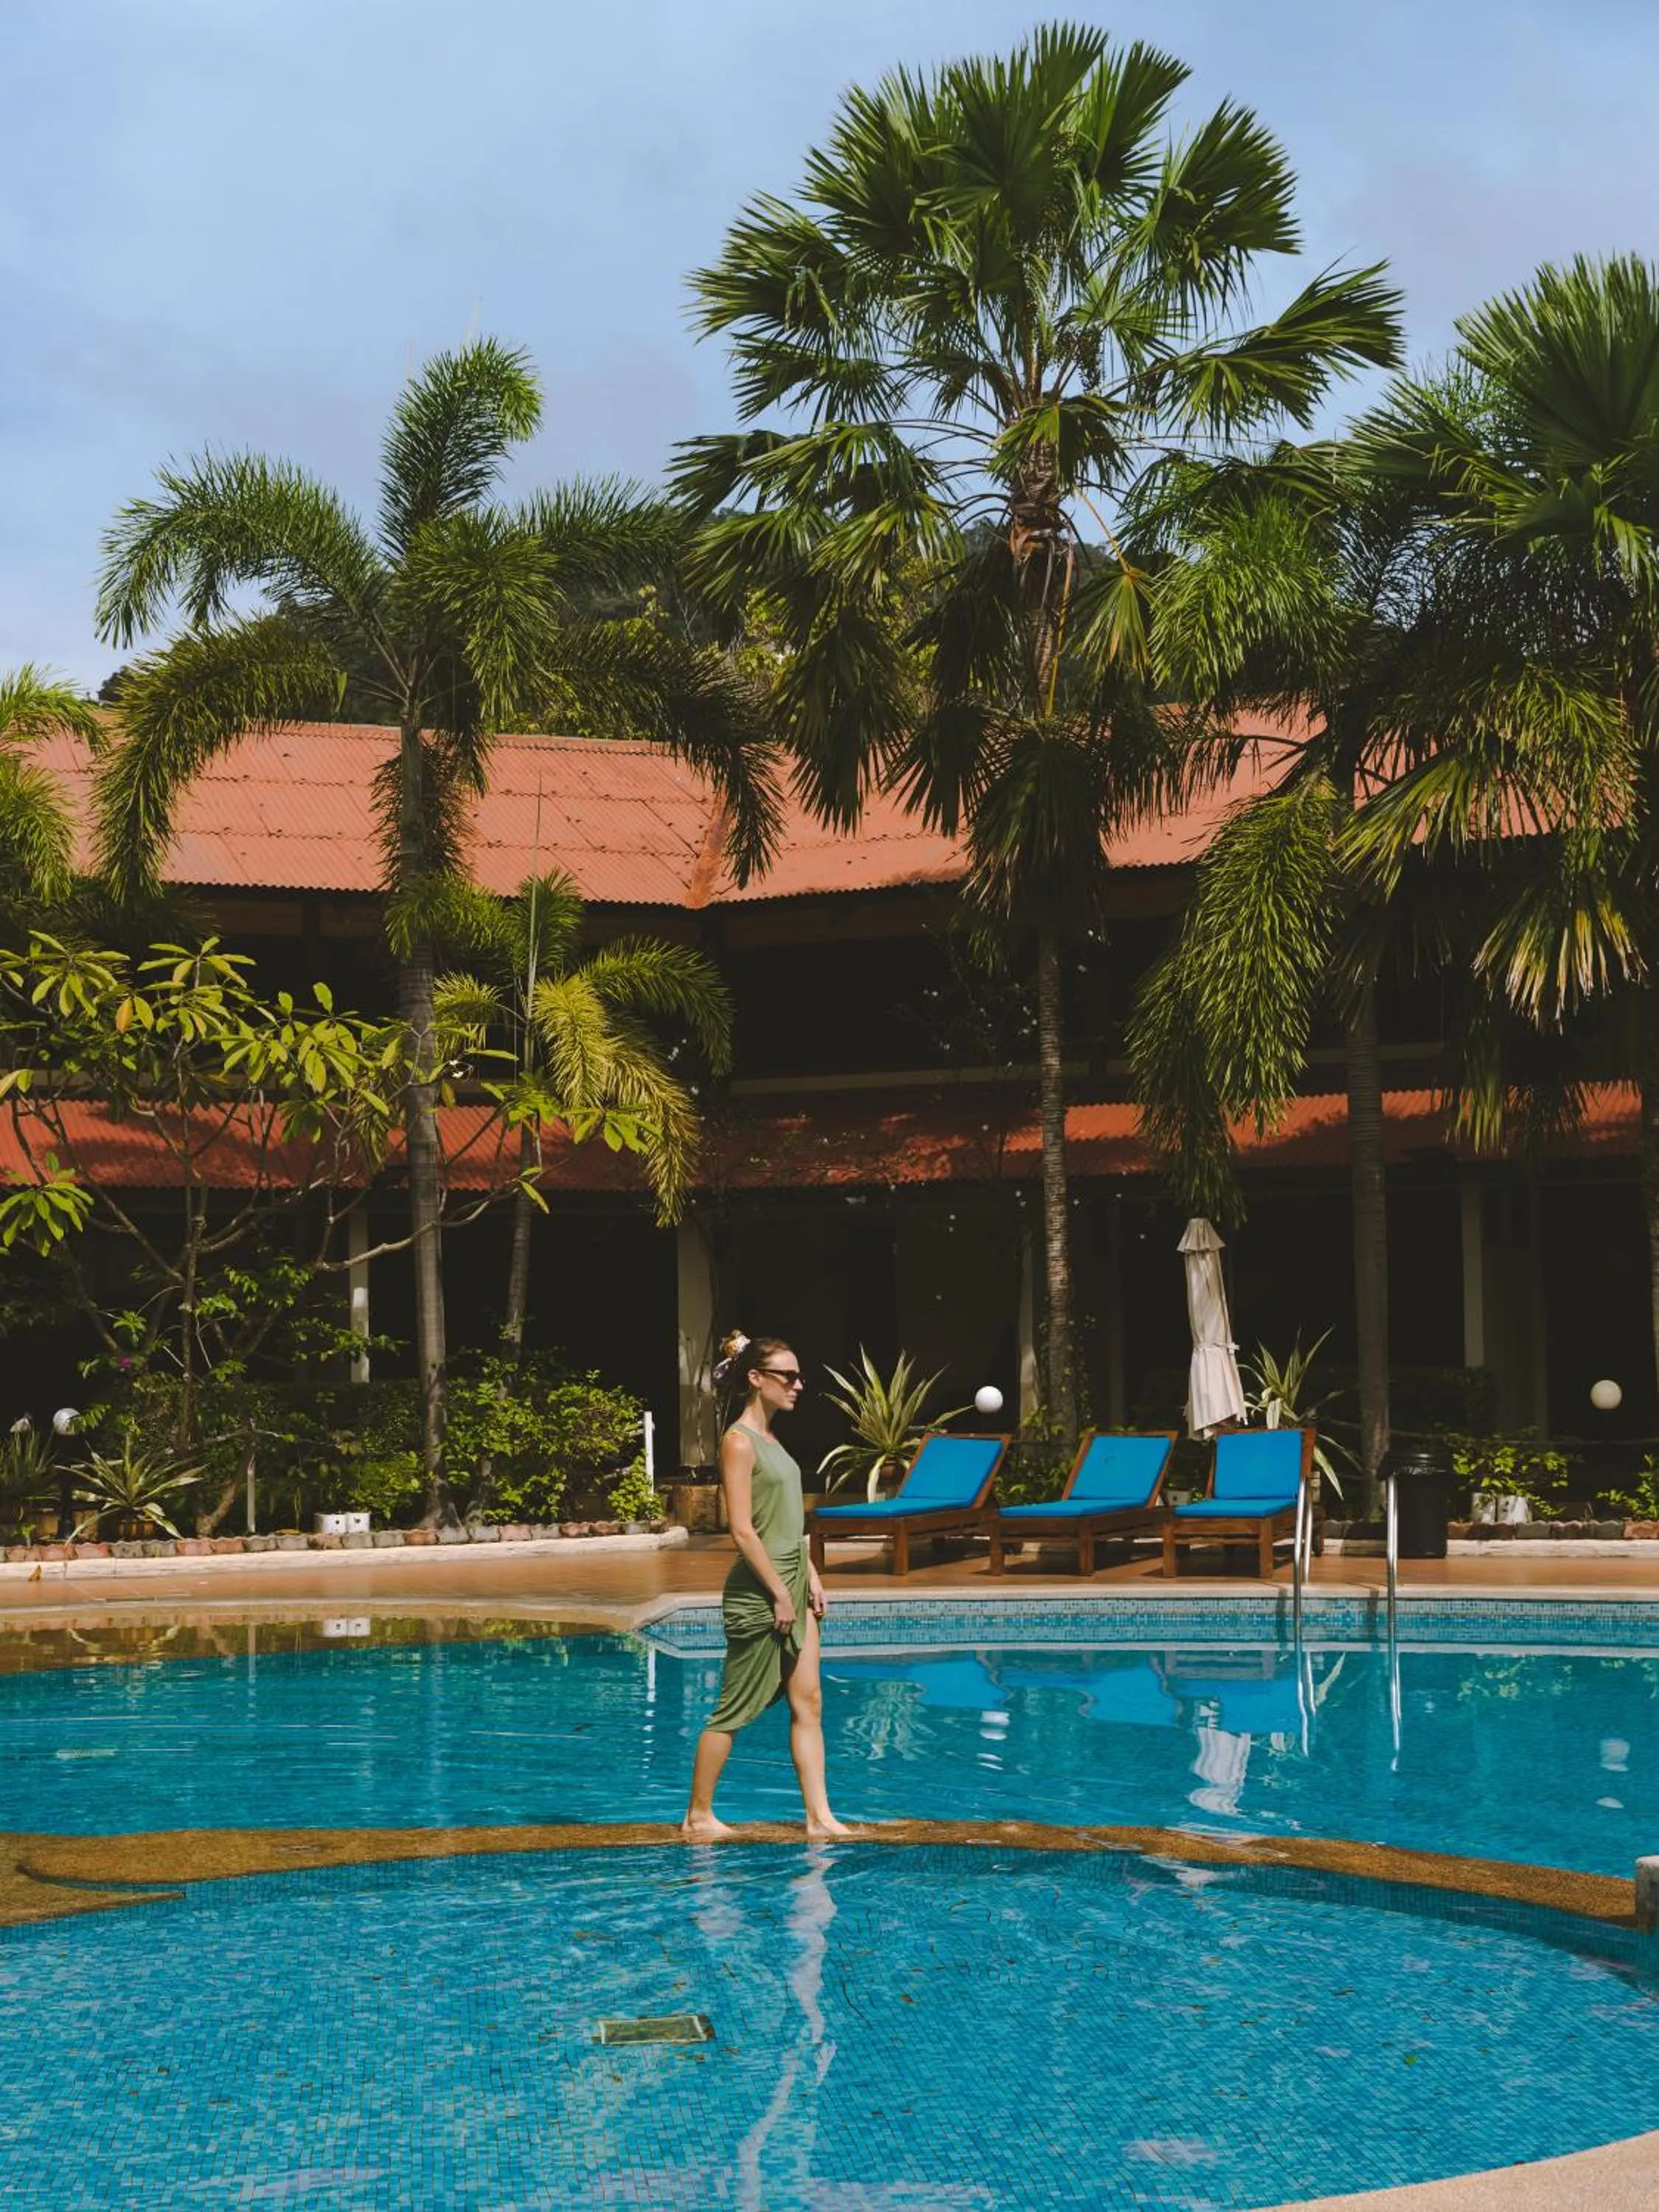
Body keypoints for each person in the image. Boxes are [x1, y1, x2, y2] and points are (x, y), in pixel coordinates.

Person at [681, 1329, 852, 1841]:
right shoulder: (739, 1442)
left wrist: (811, 1576)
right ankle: (697, 1816)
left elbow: (787, 1523)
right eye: (789, 1376)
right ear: (756, 1379)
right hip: (761, 1590)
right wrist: (779, 1592)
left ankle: (820, 1818)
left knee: (811, 1702)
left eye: (800, 1376)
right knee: (733, 1707)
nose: (799, 1385)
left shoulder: (775, 1442)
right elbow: (741, 1529)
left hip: (794, 1581)